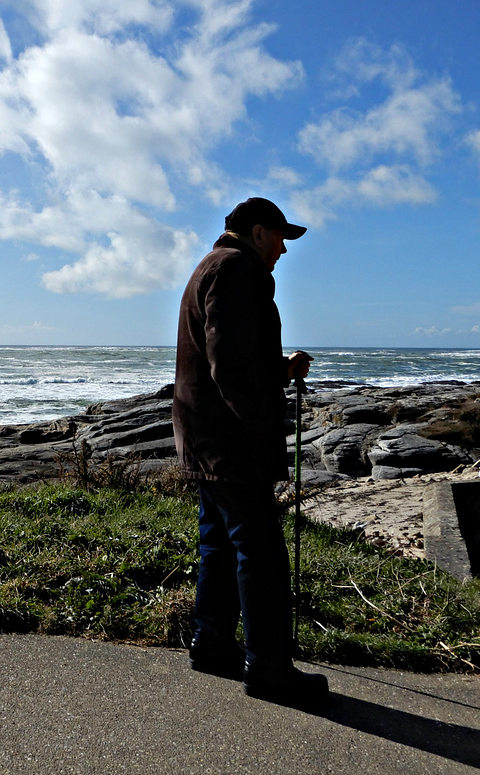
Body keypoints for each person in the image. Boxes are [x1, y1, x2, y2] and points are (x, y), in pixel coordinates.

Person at [173, 196, 328, 707]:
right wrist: (261, 426)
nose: (284, 250)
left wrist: (280, 369)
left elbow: (233, 356)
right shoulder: (238, 269)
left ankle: (211, 642)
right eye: (281, 237)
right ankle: (269, 668)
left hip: (205, 435)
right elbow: (230, 367)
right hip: (231, 442)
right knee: (260, 554)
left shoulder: (212, 267)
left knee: (218, 543)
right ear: (258, 231)